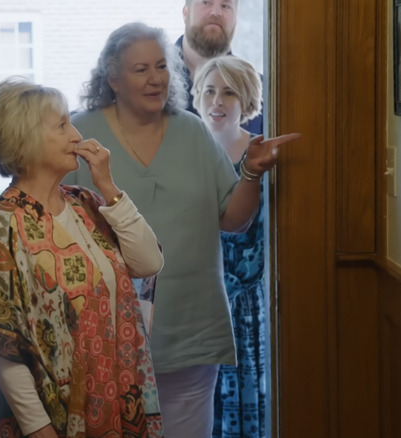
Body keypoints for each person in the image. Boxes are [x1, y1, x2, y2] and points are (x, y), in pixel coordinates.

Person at [63, 22, 300, 437]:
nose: (156, 79)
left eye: (161, 66)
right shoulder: (79, 134)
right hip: (106, 336)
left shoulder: (192, 130)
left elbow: (232, 219)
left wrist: (251, 173)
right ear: (113, 78)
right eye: (140, 70)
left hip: (192, 330)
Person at [0, 77, 166, 438]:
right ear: (24, 140)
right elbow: (0, 345)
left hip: (113, 402)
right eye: (62, 126)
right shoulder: (4, 224)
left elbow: (149, 263)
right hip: (48, 421)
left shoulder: (84, 203)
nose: (76, 135)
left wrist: (108, 187)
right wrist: (39, 429)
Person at [191, 55, 267, 438]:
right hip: (192, 296)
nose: (216, 101)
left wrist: (227, 287)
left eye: (228, 92)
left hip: (246, 301)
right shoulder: (186, 152)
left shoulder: (262, 153)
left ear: (247, 101)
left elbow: (262, 239)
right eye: (208, 91)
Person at [176, 0, 264, 136]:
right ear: (185, 13)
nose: (216, 13)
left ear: (236, 20)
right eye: (206, 2)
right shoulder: (149, 83)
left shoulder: (263, 93)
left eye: (225, 6)